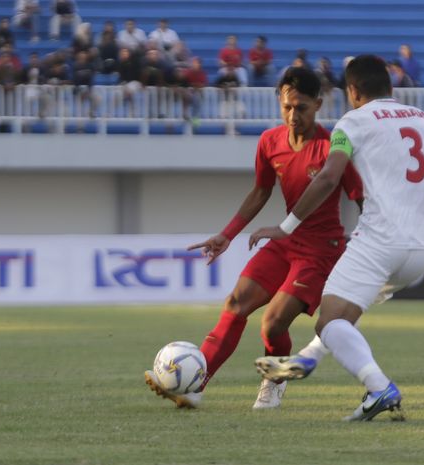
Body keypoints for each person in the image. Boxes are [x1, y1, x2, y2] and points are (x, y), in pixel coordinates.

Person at [251, 55, 424, 421]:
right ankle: (308, 357)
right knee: (343, 317)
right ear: (390, 87)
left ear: (352, 91)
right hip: (420, 252)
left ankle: (379, 386)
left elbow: (326, 178)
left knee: (329, 320)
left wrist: (286, 226)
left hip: (378, 242)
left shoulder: (352, 122)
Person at [144, 66, 364, 410]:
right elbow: (260, 192)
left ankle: (275, 382)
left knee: (273, 324)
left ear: (318, 105)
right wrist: (227, 234)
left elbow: (361, 197)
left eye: (301, 108)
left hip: (322, 251)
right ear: (280, 102)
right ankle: (193, 385)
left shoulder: (333, 149)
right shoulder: (269, 142)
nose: (293, 115)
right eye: (287, 107)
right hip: (284, 242)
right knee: (235, 304)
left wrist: (372, 246)